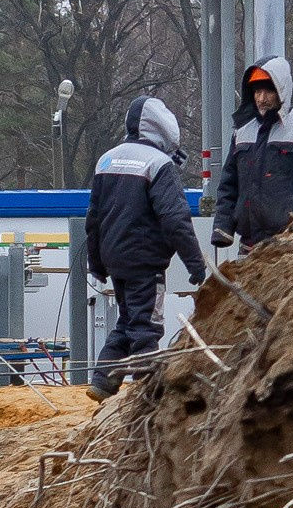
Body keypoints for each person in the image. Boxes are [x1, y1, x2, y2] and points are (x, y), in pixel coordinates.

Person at [87, 95, 206, 386]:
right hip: (146, 262)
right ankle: (146, 391)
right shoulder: (158, 163)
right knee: (146, 326)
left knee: (127, 321)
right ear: (165, 131)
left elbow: (94, 219)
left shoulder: (107, 159)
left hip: (115, 259)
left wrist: (97, 264)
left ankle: (102, 380)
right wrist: (196, 264)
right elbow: (176, 219)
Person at [212, 55, 293, 251]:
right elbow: (228, 185)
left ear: (281, 90)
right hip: (249, 245)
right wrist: (222, 228)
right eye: (257, 91)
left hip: (289, 248)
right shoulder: (242, 132)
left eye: (268, 91)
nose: (261, 99)